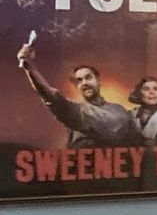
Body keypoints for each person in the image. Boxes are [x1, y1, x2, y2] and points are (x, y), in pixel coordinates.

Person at [15, 40, 144, 148]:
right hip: (84, 172)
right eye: (79, 80)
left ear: (98, 81)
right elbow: (49, 95)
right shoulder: (76, 110)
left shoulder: (119, 110)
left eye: (88, 78)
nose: (84, 83)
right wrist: (29, 66)